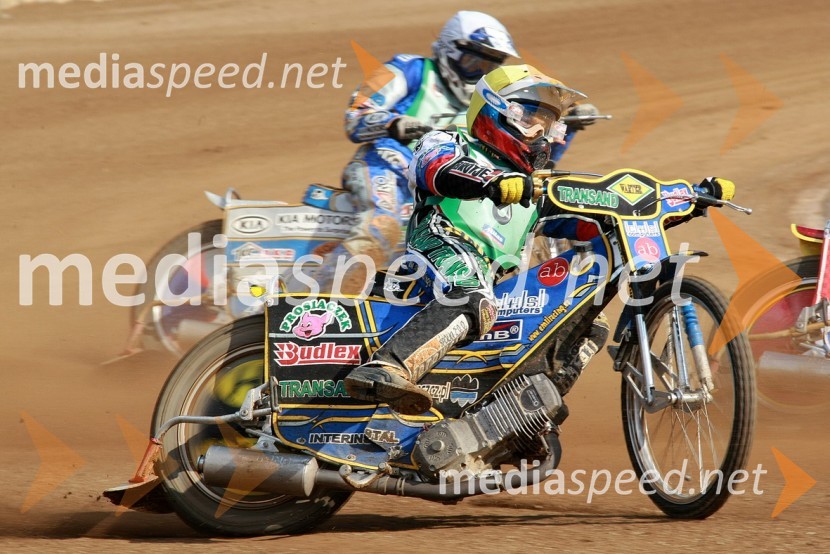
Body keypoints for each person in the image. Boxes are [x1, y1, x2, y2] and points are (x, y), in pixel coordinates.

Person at [344, 64, 609, 414]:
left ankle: (530, 400)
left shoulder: (534, 186)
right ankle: (387, 367)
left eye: (546, 124)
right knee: (473, 298)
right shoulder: (448, 141)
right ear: (494, 109)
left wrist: (677, 204)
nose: (538, 132)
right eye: (529, 118)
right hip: (440, 244)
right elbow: (437, 168)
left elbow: (589, 224)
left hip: (494, 278)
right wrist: (492, 182)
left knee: (586, 313)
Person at [314, 12, 599, 294]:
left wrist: (567, 126)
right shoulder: (407, 69)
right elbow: (355, 115)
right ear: (449, 49)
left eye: (489, 65)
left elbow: (522, 165)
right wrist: (393, 122)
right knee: (383, 223)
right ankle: (324, 297)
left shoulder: (493, 103)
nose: (479, 70)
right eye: (473, 60)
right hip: (388, 168)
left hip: (452, 189)